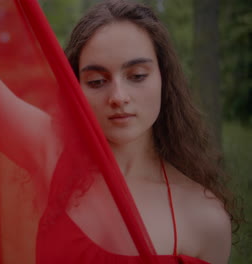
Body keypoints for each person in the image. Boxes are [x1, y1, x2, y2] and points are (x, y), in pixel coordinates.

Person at [35, 1, 237, 264]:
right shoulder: (49, 150)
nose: (118, 97)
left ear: (164, 78)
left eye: (138, 75)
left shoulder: (205, 217)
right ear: (75, 89)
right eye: (97, 81)